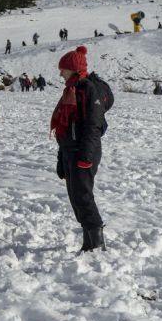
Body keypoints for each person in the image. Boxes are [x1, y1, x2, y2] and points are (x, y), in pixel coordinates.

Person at [51, 46, 106, 252]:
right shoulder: (71, 90)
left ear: (73, 69)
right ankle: (88, 239)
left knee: (83, 196)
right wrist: (61, 157)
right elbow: (64, 127)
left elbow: (93, 125)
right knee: (75, 197)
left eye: (63, 69)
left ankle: (96, 242)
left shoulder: (87, 89)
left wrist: (86, 155)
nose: (60, 73)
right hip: (70, 151)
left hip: (83, 151)